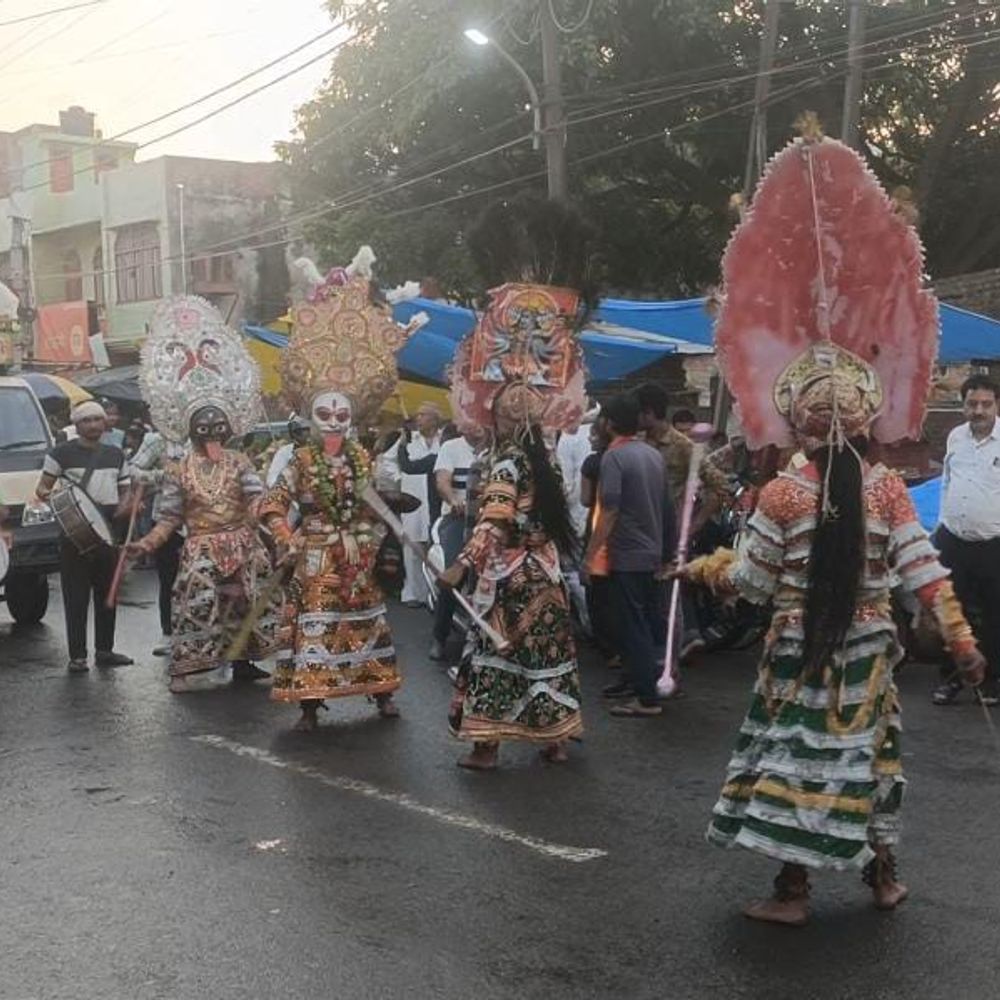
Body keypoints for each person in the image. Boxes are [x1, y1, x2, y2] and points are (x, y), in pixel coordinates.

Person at [678, 130, 985, 925]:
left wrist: (697, 571)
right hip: (870, 659)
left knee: (800, 763)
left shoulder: (785, 495)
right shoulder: (885, 489)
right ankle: (882, 879)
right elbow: (928, 576)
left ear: (799, 420)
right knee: (869, 761)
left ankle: (794, 892)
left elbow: (747, 582)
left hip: (803, 655)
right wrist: (960, 640)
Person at [439, 196, 594, 770]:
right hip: (547, 572)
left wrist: (463, 563)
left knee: (494, 654)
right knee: (547, 653)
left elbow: (494, 517)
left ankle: (486, 745)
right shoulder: (547, 460)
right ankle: (554, 737)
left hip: (509, 576)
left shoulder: (508, 461)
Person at [260, 247, 424, 731]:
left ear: (353, 419)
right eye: (325, 415)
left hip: (358, 557)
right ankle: (311, 702)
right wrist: (286, 539)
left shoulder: (361, 457)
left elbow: (373, 500)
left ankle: (380, 693)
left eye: (342, 415)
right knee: (314, 627)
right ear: (311, 418)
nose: (334, 422)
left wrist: (382, 522)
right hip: (313, 556)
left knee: (369, 621)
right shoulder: (300, 459)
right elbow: (272, 503)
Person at [128, 296, 278, 693]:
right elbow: (169, 517)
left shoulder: (240, 461)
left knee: (250, 598)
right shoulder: (180, 469)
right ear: (191, 430)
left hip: (243, 543)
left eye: (217, 425)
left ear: (228, 428)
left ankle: (245, 662)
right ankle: (186, 666)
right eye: (203, 426)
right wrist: (147, 542)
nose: (211, 430)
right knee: (193, 601)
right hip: (200, 548)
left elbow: (256, 497)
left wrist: (277, 526)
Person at [584, 393, 675, 718]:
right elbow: (667, 507)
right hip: (650, 552)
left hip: (626, 554)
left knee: (631, 625)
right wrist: (666, 553)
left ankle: (647, 698)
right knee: (643, 622)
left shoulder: (614, 458)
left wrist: (589, 555)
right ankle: (633, 680)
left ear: (608, 423)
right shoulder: (652, 454)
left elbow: (608, 511)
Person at [32, 400, 133, 673]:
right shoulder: (60, 453)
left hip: (108, 528)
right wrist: (65, 502)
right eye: (86, 421)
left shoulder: (115, 454)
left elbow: (125, 489)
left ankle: (105, 650)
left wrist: (126, 503)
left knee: (107, 594)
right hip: (73, 533)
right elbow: (43, 489)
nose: (92, 425)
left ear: (104, 423)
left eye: (97, 420)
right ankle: (77, 655)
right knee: (75, 595)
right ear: (76, 425)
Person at [932, 373, 1000, 706]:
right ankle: (950, 679)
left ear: (996, 405)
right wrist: (942, 523)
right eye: (972, 404)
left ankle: (991, 684)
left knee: (994, 614)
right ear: (963, 406)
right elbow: (946, 480)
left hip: (993, 543)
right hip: (953, 540)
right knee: (950, 612)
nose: (979, 410)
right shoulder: (955, 437)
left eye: (986, 404)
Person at [429, 423, 487, 661]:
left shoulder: (495, 451)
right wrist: (454, 500)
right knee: (454, 571)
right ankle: (439, 636)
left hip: (489, 520)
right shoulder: (451, 447)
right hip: (458, 520)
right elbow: (442, 482)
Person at [129, 427, 187, 656]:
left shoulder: (208, 439)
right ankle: (169, 633)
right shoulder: (157, 440)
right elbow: (133, 470)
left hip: (204, 521)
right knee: (169, 579)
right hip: (166, 517)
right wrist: (161, 476)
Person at [387, 403, 442, 607]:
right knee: (412, 547)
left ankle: (434, 593)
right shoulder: (408, 440)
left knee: (435, 547)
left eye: (422, 415)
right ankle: (413, 593)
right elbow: (387, 462)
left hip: (435, 500)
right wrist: (399, 478)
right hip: (412, 499)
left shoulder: (444, 440)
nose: (418, 419)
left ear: (434, 419)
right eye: (417, 415)